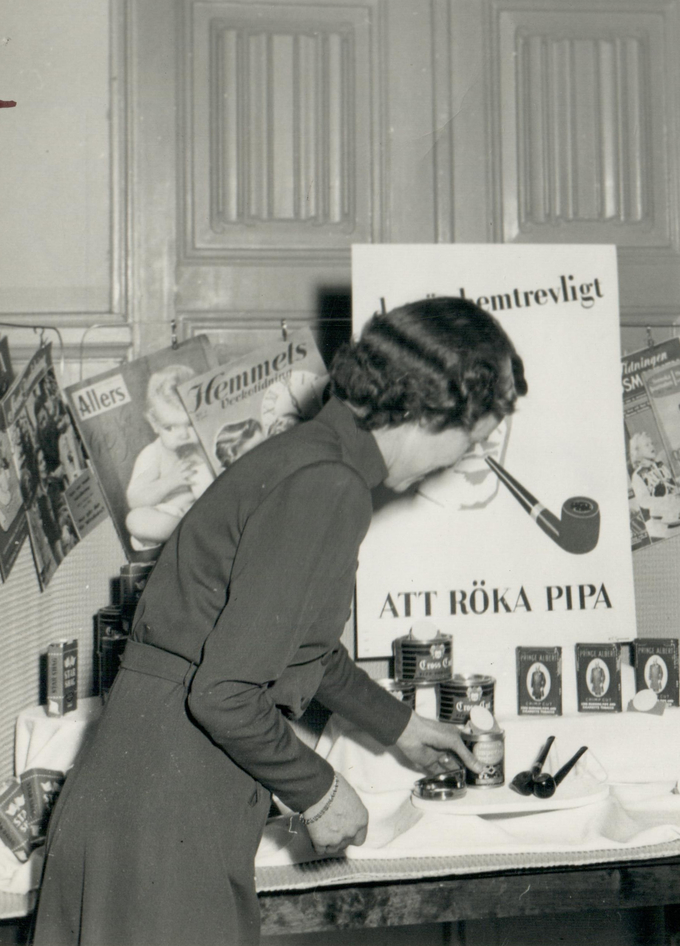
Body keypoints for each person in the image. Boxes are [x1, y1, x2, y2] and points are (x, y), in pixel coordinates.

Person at [34, 297, 527, 946]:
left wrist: (400, 724)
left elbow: (299, 648)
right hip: (171, 799)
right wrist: (320, 792)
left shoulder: (309, 455)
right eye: (471, 436)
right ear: (429, 411)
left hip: (146, 783)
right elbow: (224, 693)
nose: (463, 456)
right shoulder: (331, 485)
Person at [125, 364, 215, 548]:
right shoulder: (153, 454)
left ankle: (201, 535)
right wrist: (171, 481)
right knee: (135, 520)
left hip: (208, 513)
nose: (183, 435)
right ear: (154, 423)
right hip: (171, 518)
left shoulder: (206, 444)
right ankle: (190, 534)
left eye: (190, 424)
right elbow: (135, 499)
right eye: (170, 427)